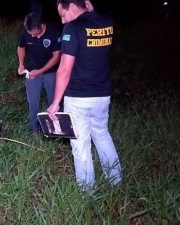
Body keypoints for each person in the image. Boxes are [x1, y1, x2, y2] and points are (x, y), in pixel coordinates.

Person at [47, 0, 122, 191]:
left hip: (79, 97)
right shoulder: (107, 22)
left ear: (72, 6)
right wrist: (90, 9)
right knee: (102, 135)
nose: (63, 21)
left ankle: (87, 192)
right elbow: (94, 26)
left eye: (63, 14)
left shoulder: (73, 28)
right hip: (102, 95)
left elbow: (64, 69)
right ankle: (116, 181)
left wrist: (56, 102)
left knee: (80, 144)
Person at [17, 13, 61, 135]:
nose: (31, 35)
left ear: (41, 26)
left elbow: (57, 57)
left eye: (34, 33)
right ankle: (34, 131)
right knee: (33, 103)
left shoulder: (54, 33)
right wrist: (21, 64)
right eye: (30, 33)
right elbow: (21, 47)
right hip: (32, 73)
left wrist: (40, 72)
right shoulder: (27, 32)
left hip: (50, 73)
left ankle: (56, 130)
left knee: (53, 102)